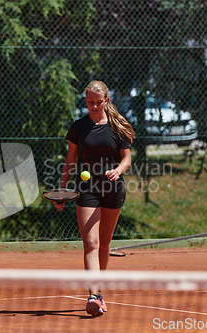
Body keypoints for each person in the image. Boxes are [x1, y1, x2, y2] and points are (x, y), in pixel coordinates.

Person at [55, 80, 135, 316]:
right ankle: (93, 295)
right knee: (91, 244)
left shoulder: (118, 126)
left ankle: (99, 293)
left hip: (113, 189)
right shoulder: (78, 127)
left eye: (98, 102)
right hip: (87, 190)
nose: (93, 106)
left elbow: (127, 159)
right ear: (85, 99)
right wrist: (62, 190)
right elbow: (70, 161)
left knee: (104, 244)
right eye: (89, 101)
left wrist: (118, 171)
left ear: (106, 100)